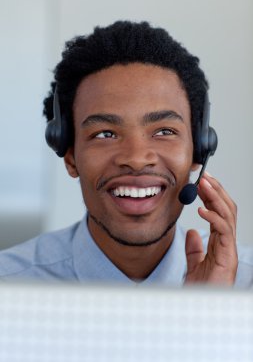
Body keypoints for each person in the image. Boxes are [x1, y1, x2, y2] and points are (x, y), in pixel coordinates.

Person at [0, 21, 252, 287]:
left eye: (164, 131)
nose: (136, 158)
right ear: (70, 155)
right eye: (105, 134)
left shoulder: (244, 286)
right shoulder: (10, 285)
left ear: (199, 150)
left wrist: (212, 312)